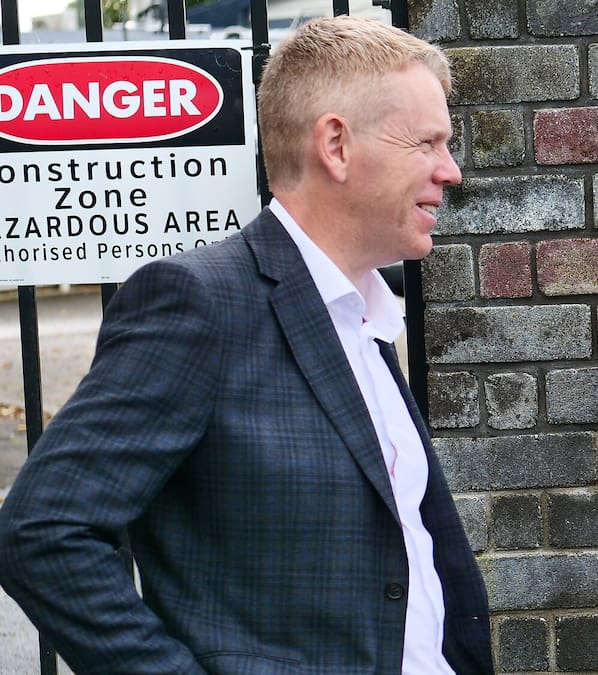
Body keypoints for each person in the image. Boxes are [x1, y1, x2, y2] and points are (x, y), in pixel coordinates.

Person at [0, 16, 493, 675]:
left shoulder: (366, 318)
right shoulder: (199, 303)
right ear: (337, 146)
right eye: (427, 143)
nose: (450, 171)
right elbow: (42, 530)